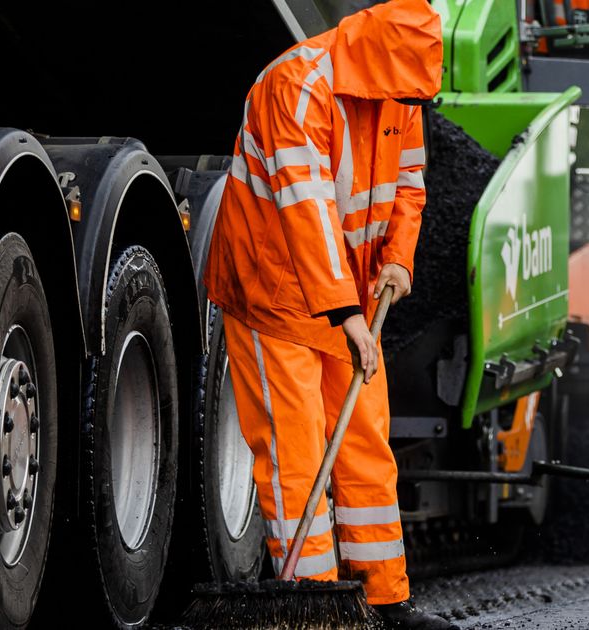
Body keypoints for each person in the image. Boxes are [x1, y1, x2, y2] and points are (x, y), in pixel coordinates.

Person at [204, 0, 455, 627]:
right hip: (276, 292)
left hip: (353, 294)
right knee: (297, 454)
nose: (408, 101)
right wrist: (345, 310)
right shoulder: (296, 86)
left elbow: (409, 186)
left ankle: (384, 600)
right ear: (377, 60)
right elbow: (305, 208)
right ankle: (311, 605)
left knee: (366, 443)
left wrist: (398, 259)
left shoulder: (400, 93)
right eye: (401, 87)